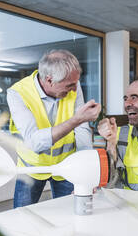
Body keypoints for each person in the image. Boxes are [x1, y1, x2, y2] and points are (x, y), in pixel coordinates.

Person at [7, 49, 101, 207]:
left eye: (75, 83)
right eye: (69, 85)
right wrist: (77, 119)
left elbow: (82, 129)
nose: (74, 89)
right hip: (32, 168)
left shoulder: (74, 84)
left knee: (71, 214)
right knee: (22, 218)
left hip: (67, 165)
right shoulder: (18, 94)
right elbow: (34, 142)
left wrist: (86, 170)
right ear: (49, 80)